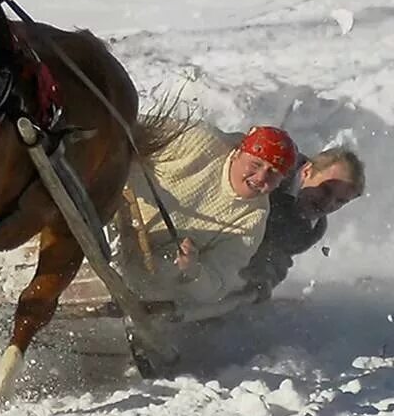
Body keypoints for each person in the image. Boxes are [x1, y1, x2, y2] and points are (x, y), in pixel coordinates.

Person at [122, 123, 298, 322]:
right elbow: (127, 127)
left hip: (141, 272)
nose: (260, 178)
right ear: (238, 152)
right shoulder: (200, 141)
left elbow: (217, 286)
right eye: (256, 165)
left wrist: (193, 269)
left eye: (273, 173)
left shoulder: (252, 220)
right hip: (109, 210)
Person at [234, 146, 365, 304]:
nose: (327, 203)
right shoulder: (273, 168)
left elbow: (275, 261)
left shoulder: (311, 230)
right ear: (306, 171)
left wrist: (259, 286)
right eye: (325, 190)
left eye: (340, 201)